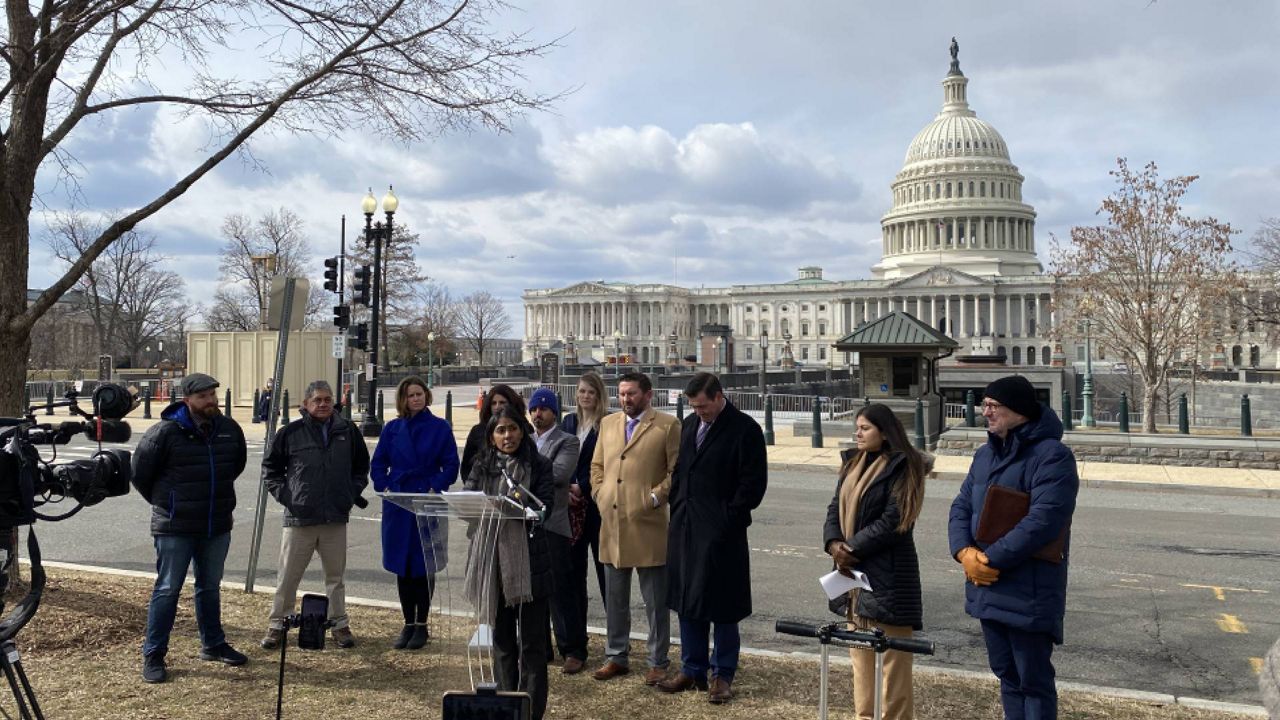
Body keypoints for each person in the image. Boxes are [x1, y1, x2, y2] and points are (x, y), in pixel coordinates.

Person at [948, 375, 1079, 720]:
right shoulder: (984, 455)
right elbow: (961, 506)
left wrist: (990, 559)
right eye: (984, 405)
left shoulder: (1053, 457)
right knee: (1006, 673)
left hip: (1029, 588)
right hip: (987, 584)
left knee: (1032, 680)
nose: (985, 413)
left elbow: (1044, 521)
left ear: (1018, 411)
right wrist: (964, 552)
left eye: (993, 406)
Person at [131, 372, 249, 684]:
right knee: (168, 589)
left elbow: (236, 465)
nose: (210, 401)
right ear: (187, 400)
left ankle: (213, 644)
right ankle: (154, 654)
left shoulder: (229, 430)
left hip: (216, 523)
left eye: (212, 395)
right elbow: (141, 475)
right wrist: (167, 504)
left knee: (210, 587)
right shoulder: (165, 432)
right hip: (175, 526)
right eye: (202, 397)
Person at [659, 373, 767, 704]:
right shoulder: (690, 425)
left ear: (719, 397)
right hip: (686, 528)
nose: (699, 412)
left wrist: (727, 518)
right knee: (688, 603)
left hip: (721, 532)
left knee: (722, 607)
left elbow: (753, 485)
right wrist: (677, 504)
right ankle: (692, 668)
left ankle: (722, 674)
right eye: (694, 407)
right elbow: (680, 472)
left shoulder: (745, 429)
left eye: (703, 406)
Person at [822, 403, 930, 720]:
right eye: (856, 427)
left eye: (865, 428)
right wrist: (833, 544)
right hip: (851, 577)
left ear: (884, 432)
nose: (857, 433)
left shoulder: (905, 466)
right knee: (862, 663)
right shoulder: (852, 464)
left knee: (893, 666)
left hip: (889, 578)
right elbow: (833, 509)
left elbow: (896, 520)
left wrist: (850, 547)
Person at [260, 380, 370, 650]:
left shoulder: (347, 431)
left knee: (336, 577)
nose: (323, 404)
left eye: (327, 400)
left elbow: (361, 467)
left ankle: (339, 624)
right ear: (306, 404)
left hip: (335, 517)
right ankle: (278, 624)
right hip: (300, 518)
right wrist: (288, 497)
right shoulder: (291, 433)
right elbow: (271, 470)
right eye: (317, 400)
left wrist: (349, 493)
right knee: (288, 577)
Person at [590, 371, 681, 686]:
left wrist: (654, 497)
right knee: (615, 598)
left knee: (655, 601)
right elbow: (597, 465)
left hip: (648, 523)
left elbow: (675, 471)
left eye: (631, 394)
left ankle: (658, 661)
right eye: (622, 394)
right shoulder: (608, 423)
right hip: (612, 523)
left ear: (647, 394)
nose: (625, 399)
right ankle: (616, 656)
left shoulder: (667, 425)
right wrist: (600, 494)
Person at [464, 407, 555, 720]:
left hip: (530, 563)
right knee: (502, 642)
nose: (507, 436)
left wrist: (527, 509)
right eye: (500, 431)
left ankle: (529, 710)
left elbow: (545, 506)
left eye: (512, 429)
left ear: (522, 430)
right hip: (493, 562)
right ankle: (506, 705)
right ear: (491, 436)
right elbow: (468, 501)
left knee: (532, 645)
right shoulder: (482, 464)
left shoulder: (539, 465)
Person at [370, 376, 460, 649]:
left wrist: (435, 487)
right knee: (402, 565)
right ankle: (408, 622)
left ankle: (422, 624)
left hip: (426, 498)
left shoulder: (440, 428)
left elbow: (451, 464)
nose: (416, 399)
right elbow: (378, 463)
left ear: (427, 396)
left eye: (419, 393)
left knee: (424, 564)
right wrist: (385, 486)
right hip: (398, 501)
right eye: (410, 395)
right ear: (403, 399)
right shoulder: (392, 428)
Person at [527, 387, 584, 673]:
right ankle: (542, 647)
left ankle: (573, 648)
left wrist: (524, 472)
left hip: (554, 523)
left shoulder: (567, 441)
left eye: (544, 409)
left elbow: (560, 474)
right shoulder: (524, 440)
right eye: (535, 409)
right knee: (535, 593)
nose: (538, 414)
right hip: (525, 525)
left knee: (562, 591)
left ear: (554, 412)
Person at [560, 373, 610, 657]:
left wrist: (584, 486)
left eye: (591, 392)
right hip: (570, 506)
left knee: (606, 573)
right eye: (581, 391)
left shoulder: (608, 423)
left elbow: (608, 464)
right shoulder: (568, 422)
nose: (585, 396)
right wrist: (567, 486)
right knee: (574, 573)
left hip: (597, 506)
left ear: (599, 395)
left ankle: (616, 637)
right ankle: (576, 638)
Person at [461, 384, 528, 482]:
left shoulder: (524, 427)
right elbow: (466, 467)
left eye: (502, 402)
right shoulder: (478, 431)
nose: (497, 407)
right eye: (494, 403)